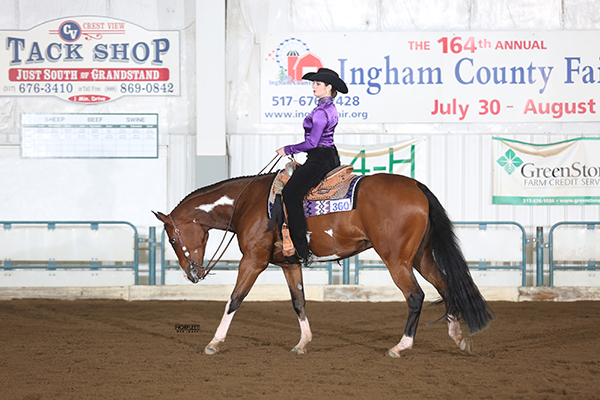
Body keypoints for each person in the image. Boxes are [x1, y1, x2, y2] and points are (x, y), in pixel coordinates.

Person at [276, 67, 348, 264]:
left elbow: (312, 143)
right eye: (313, 83)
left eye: (317, 84)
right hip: (327, 155)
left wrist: (288, 149)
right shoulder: (327, 108)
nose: (313, 87)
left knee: (291, 192)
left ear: (328, 87)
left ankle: (301, 249)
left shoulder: (321, 112)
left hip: (320, 158)